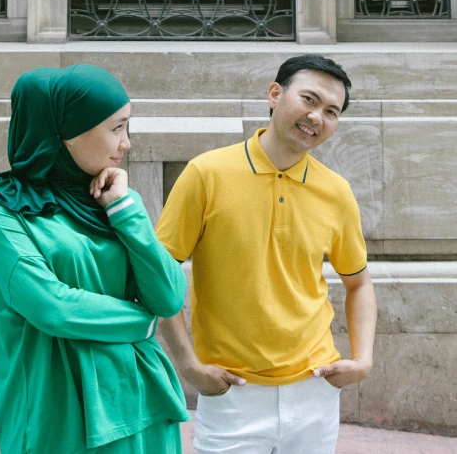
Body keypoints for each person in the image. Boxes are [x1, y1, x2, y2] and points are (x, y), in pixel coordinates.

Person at [156, 54, 377, 454]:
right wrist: (188, 365)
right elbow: (158, 274)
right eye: (309, 100)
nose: (317, 117)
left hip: (315, 390)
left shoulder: (336, 191)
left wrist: (363, 360)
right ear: (275, 94)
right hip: (233, 394)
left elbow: (358, 282)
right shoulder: (206, 174)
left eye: (331, 111)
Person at [0, 64, 191, 454]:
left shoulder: (114, 198)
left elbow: (170, 297)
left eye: (127, 127)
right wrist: (142, 322)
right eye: (116, 127)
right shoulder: (3, 207)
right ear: (67, 133)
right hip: (62, 411)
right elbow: (51, 306)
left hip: (141, 398)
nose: (126, 143)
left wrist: (126, 211)